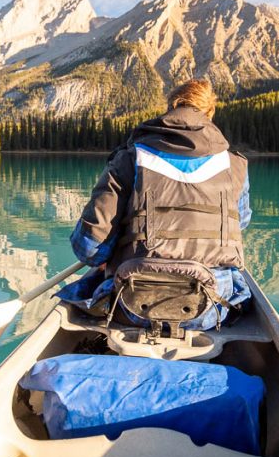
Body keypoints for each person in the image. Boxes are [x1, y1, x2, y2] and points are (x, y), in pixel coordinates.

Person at [59, 78, 252, 331]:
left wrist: (108, 253)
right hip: (210, 308)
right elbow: (241, 221)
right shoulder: (235, 165)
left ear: (171, 106)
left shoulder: (130, 158)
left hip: (133, 305)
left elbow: (90, 248)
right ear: (210, 113)